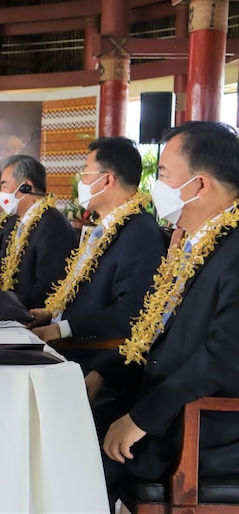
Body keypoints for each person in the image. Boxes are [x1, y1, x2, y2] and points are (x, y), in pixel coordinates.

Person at [88, 122, 239, 509]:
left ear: (200, 186)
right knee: (58, 426)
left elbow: (223, 358)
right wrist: (105, 370)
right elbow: (153, 330)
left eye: (164, 176)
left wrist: (139, 419)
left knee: (71, 459)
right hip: (159, 404)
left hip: (200, 425)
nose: (157, 187)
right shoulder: (197, 240)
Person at [25, 138, 165, 367]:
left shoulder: (141, 233)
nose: (81, 180)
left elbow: (131, 312)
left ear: (107, 180)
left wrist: (60, 329)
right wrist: (52, 315)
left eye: (86, 174)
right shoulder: (105, 227)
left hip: (87, 352)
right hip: (62, 339)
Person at [0, 154, 77, 309]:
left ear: (26, 186)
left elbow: (47, 287)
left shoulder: (52, 224)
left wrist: (3, 306)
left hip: (32, 316)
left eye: (4, 186)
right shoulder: (17, 222)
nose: (1, 193)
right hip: (11, 306)